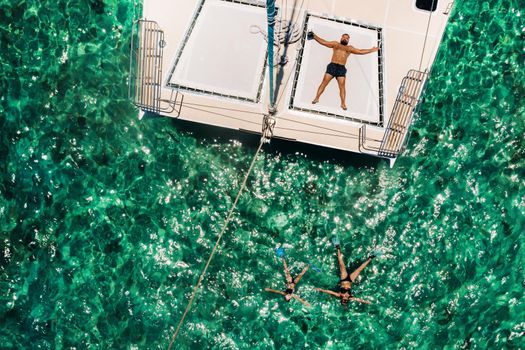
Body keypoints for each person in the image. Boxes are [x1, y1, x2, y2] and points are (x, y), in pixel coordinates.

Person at [309, 32, 379, 110]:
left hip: (341, 68)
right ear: (341, 37)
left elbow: (360, 51)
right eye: (344, 37)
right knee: (324, 83)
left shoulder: (349, 48)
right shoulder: (336, 44)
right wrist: (314, 36)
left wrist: (372, 50)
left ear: (348, 40)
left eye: (347, 38)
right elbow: (324, 42)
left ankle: (343, 103)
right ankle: (317, 98)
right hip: (332, 65)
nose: (345, 39)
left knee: (342, 87)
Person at [316, 242, 375, 306]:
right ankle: (370, 258)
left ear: (341, 299)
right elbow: (358, 299)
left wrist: (321, 289)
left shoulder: (339, 295)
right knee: (359, 269)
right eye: (346, 301)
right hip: (350, 280)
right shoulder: (350, 297)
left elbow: (330, 292)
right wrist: (367, 302)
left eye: (343, 300)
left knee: (341, 265)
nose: (345, 299)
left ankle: (338, 248)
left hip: (344, 279)